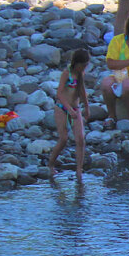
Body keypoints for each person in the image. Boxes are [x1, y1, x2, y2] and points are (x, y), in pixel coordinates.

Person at [49, 48, 90, 181]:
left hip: (76, 108)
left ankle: (79, 170)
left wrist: (86, 107)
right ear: (76, 63)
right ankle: (50, 164)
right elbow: (59, 94)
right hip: (62, 108)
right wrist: (69, 109)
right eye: (83, 65)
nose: (84, 67)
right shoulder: (67, 74)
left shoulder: (81, 74)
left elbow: (82, 91)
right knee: (64, 139)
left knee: (80, 139)